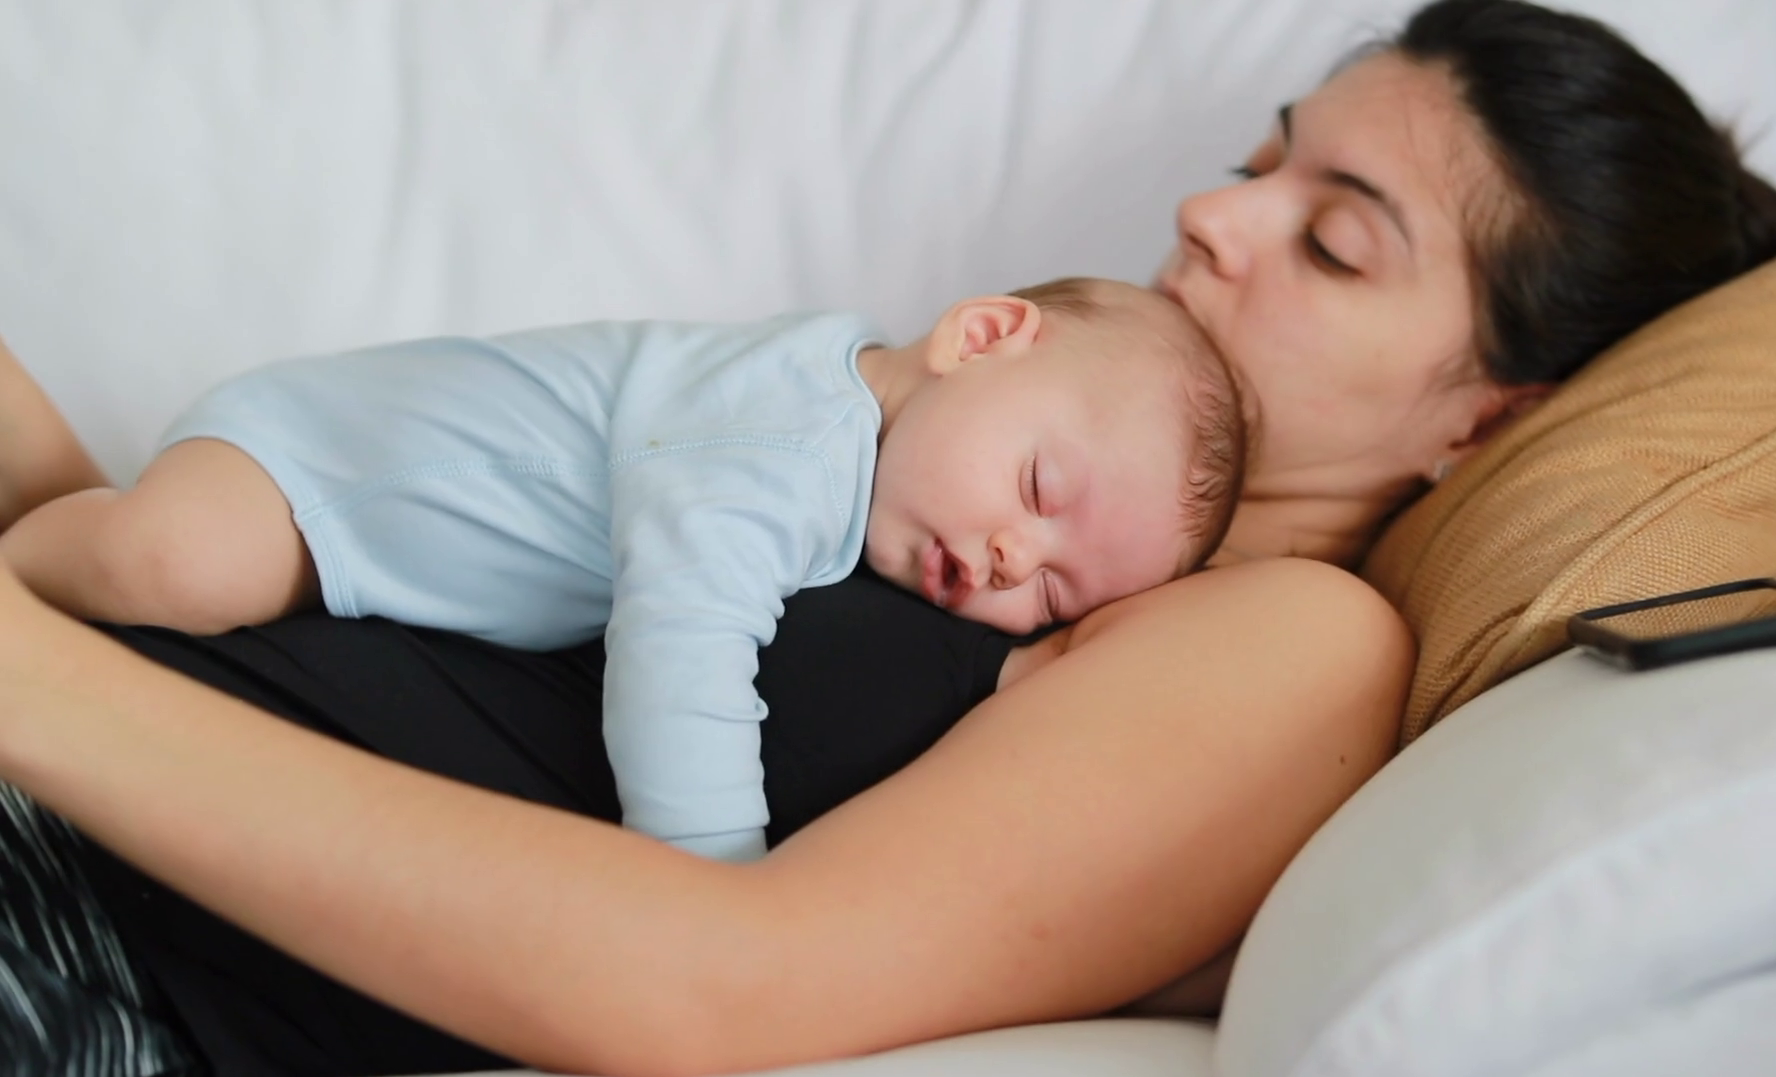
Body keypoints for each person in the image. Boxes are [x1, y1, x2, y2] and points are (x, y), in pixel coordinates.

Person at [0, 1, 1776, 1076]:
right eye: (1267, 159)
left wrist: (41, 694)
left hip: (106, 937)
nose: (1214, 212)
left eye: (1338, 241)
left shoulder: (1284, 648)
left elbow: (712, 985)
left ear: (1490, 418)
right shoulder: (942, 416)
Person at [0, 277, 1244, 863]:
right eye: (1038, 492)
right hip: (317, 475)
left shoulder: (861, 448)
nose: (1009, 562)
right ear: (980, 337)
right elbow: (681, 644)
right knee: (172, 562)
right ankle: (30, 560)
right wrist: (712, 871)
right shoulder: (789, 438)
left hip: (356, 552)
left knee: (163, 576)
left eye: (1057, 590)